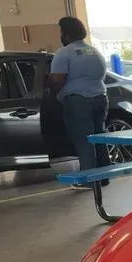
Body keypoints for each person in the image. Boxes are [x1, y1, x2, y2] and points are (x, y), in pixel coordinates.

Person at [49, 17, 108, 188]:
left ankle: (89, 180)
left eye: (61, 31)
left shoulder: (65, 52)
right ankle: (103, 177)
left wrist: (53, 93)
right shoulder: (93, 51)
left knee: (83, 141)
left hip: (78, 101)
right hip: (100, 97)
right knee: (99, 138)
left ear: (66, 33)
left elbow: (57, 78)